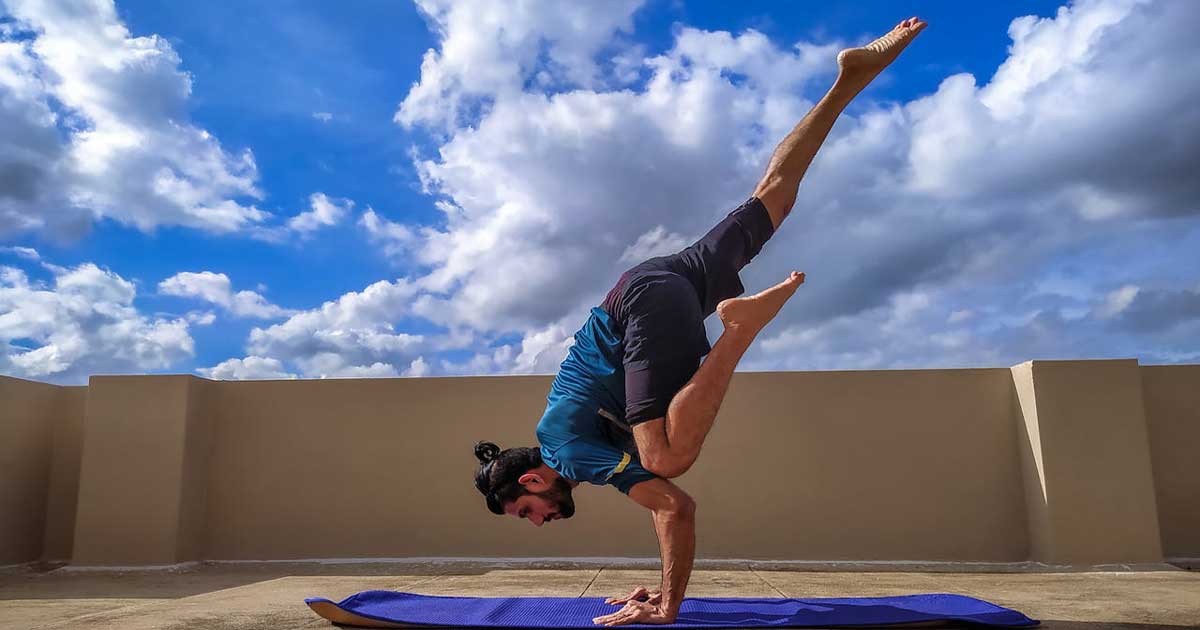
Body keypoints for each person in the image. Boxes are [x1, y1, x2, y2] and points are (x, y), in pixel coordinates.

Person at [472, 17, 928, 627]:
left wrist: (667, 609)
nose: (539, 522)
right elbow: (665, 512)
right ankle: (849, 81)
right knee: (776, 195)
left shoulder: (567, 452)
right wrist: (655, 588)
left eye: (527, 511)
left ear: (532, 478)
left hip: (637, 309)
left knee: (667, 458)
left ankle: (738, 329)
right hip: (664, 281)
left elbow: (675, 508)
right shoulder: (580, 452)